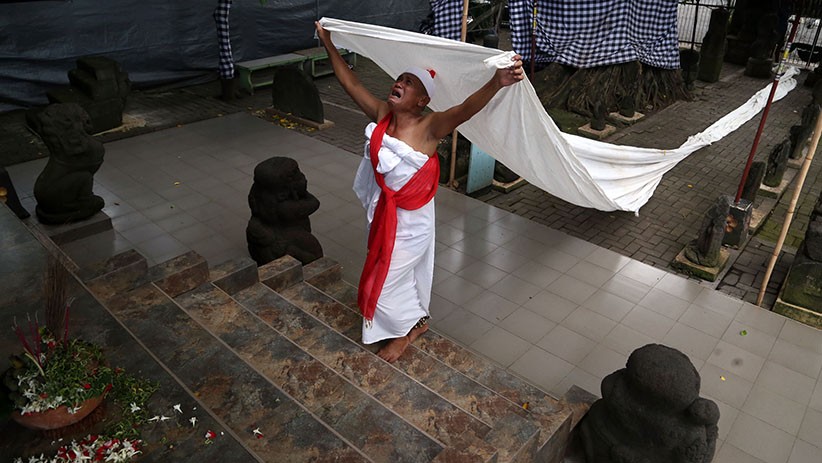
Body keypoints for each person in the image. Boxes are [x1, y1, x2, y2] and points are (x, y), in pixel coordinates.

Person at [315, 21, 524, 362]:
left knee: (381, 282)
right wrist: (328, 43)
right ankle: (415, 322)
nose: (399, 83)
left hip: (412, 224)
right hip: (384, 213)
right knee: (395, 275)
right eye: (400, 79)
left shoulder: (430, 127)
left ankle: (404, 331)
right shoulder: (383, 114)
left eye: (409, 83)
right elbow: (350, 82)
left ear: (421, 101)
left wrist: (496, 82)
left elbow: (464, 109)